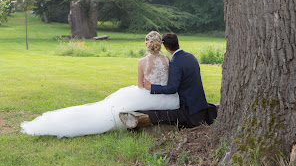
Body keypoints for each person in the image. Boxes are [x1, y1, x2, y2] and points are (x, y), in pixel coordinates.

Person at [20, 31, 179, 138]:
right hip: (166, 96)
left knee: (108, 108)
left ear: (147, 44)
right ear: (160, 44)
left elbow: (140, 85)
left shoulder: (142, 62)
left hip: (148, 94)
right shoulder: (166, 60)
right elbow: (168, 80)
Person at [141, 33, 217, 128]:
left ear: (165, 47)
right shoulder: (191, 56)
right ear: (177, 42)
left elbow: (173, 88)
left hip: (190, 108)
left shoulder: (175, 63)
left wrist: (152, 87)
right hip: (200, 103)